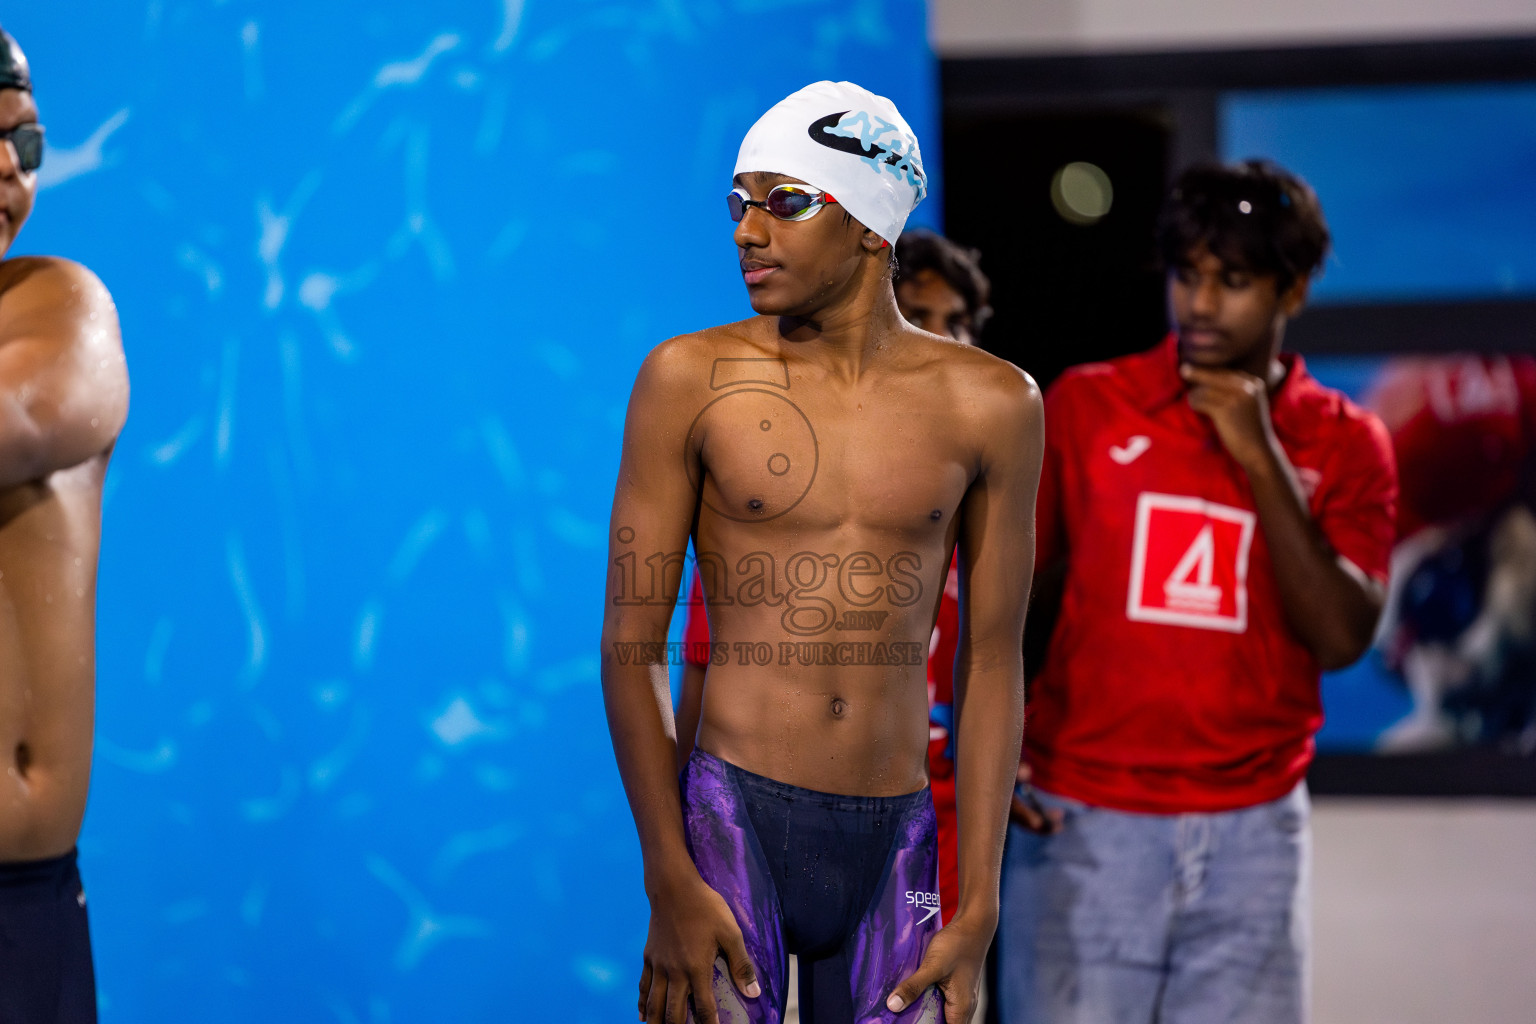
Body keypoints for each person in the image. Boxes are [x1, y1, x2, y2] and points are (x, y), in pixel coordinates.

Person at [602, 81, 1043, 1024]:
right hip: (731, 824)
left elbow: (994, 659)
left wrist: (981, 906)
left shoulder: (994, 405)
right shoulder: (686, 379)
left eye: (786, 202)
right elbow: (630, 647)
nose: (748, 232)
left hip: (897, 837)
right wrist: (667, 876)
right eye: (739, 203)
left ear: (872, 223)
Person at [996, 160, 1397, 1024]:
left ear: (1291, 291)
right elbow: (1001, 598)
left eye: (1236, 281)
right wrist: (992, 745)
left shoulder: (1348, 441)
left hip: (1255, 829)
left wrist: (1259, 452)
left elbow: (1340, 636)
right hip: (1083, 822)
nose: (1203, 304)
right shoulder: (1089, 406)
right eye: (1189, 276)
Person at [675, 230, 997, 930]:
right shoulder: (775, 513)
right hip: (762, 832)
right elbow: (697, 679)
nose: (939, 343)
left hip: (928, 849)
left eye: (956, 324)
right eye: (920, 319)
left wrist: (983, 879)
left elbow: (998, 672)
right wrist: (681, 857)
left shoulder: (986, 500)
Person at [0, 26, 130, 1024]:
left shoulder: (57, 309)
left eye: (28, 143)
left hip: (20, 907)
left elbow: (24, 421)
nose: (10, 166)